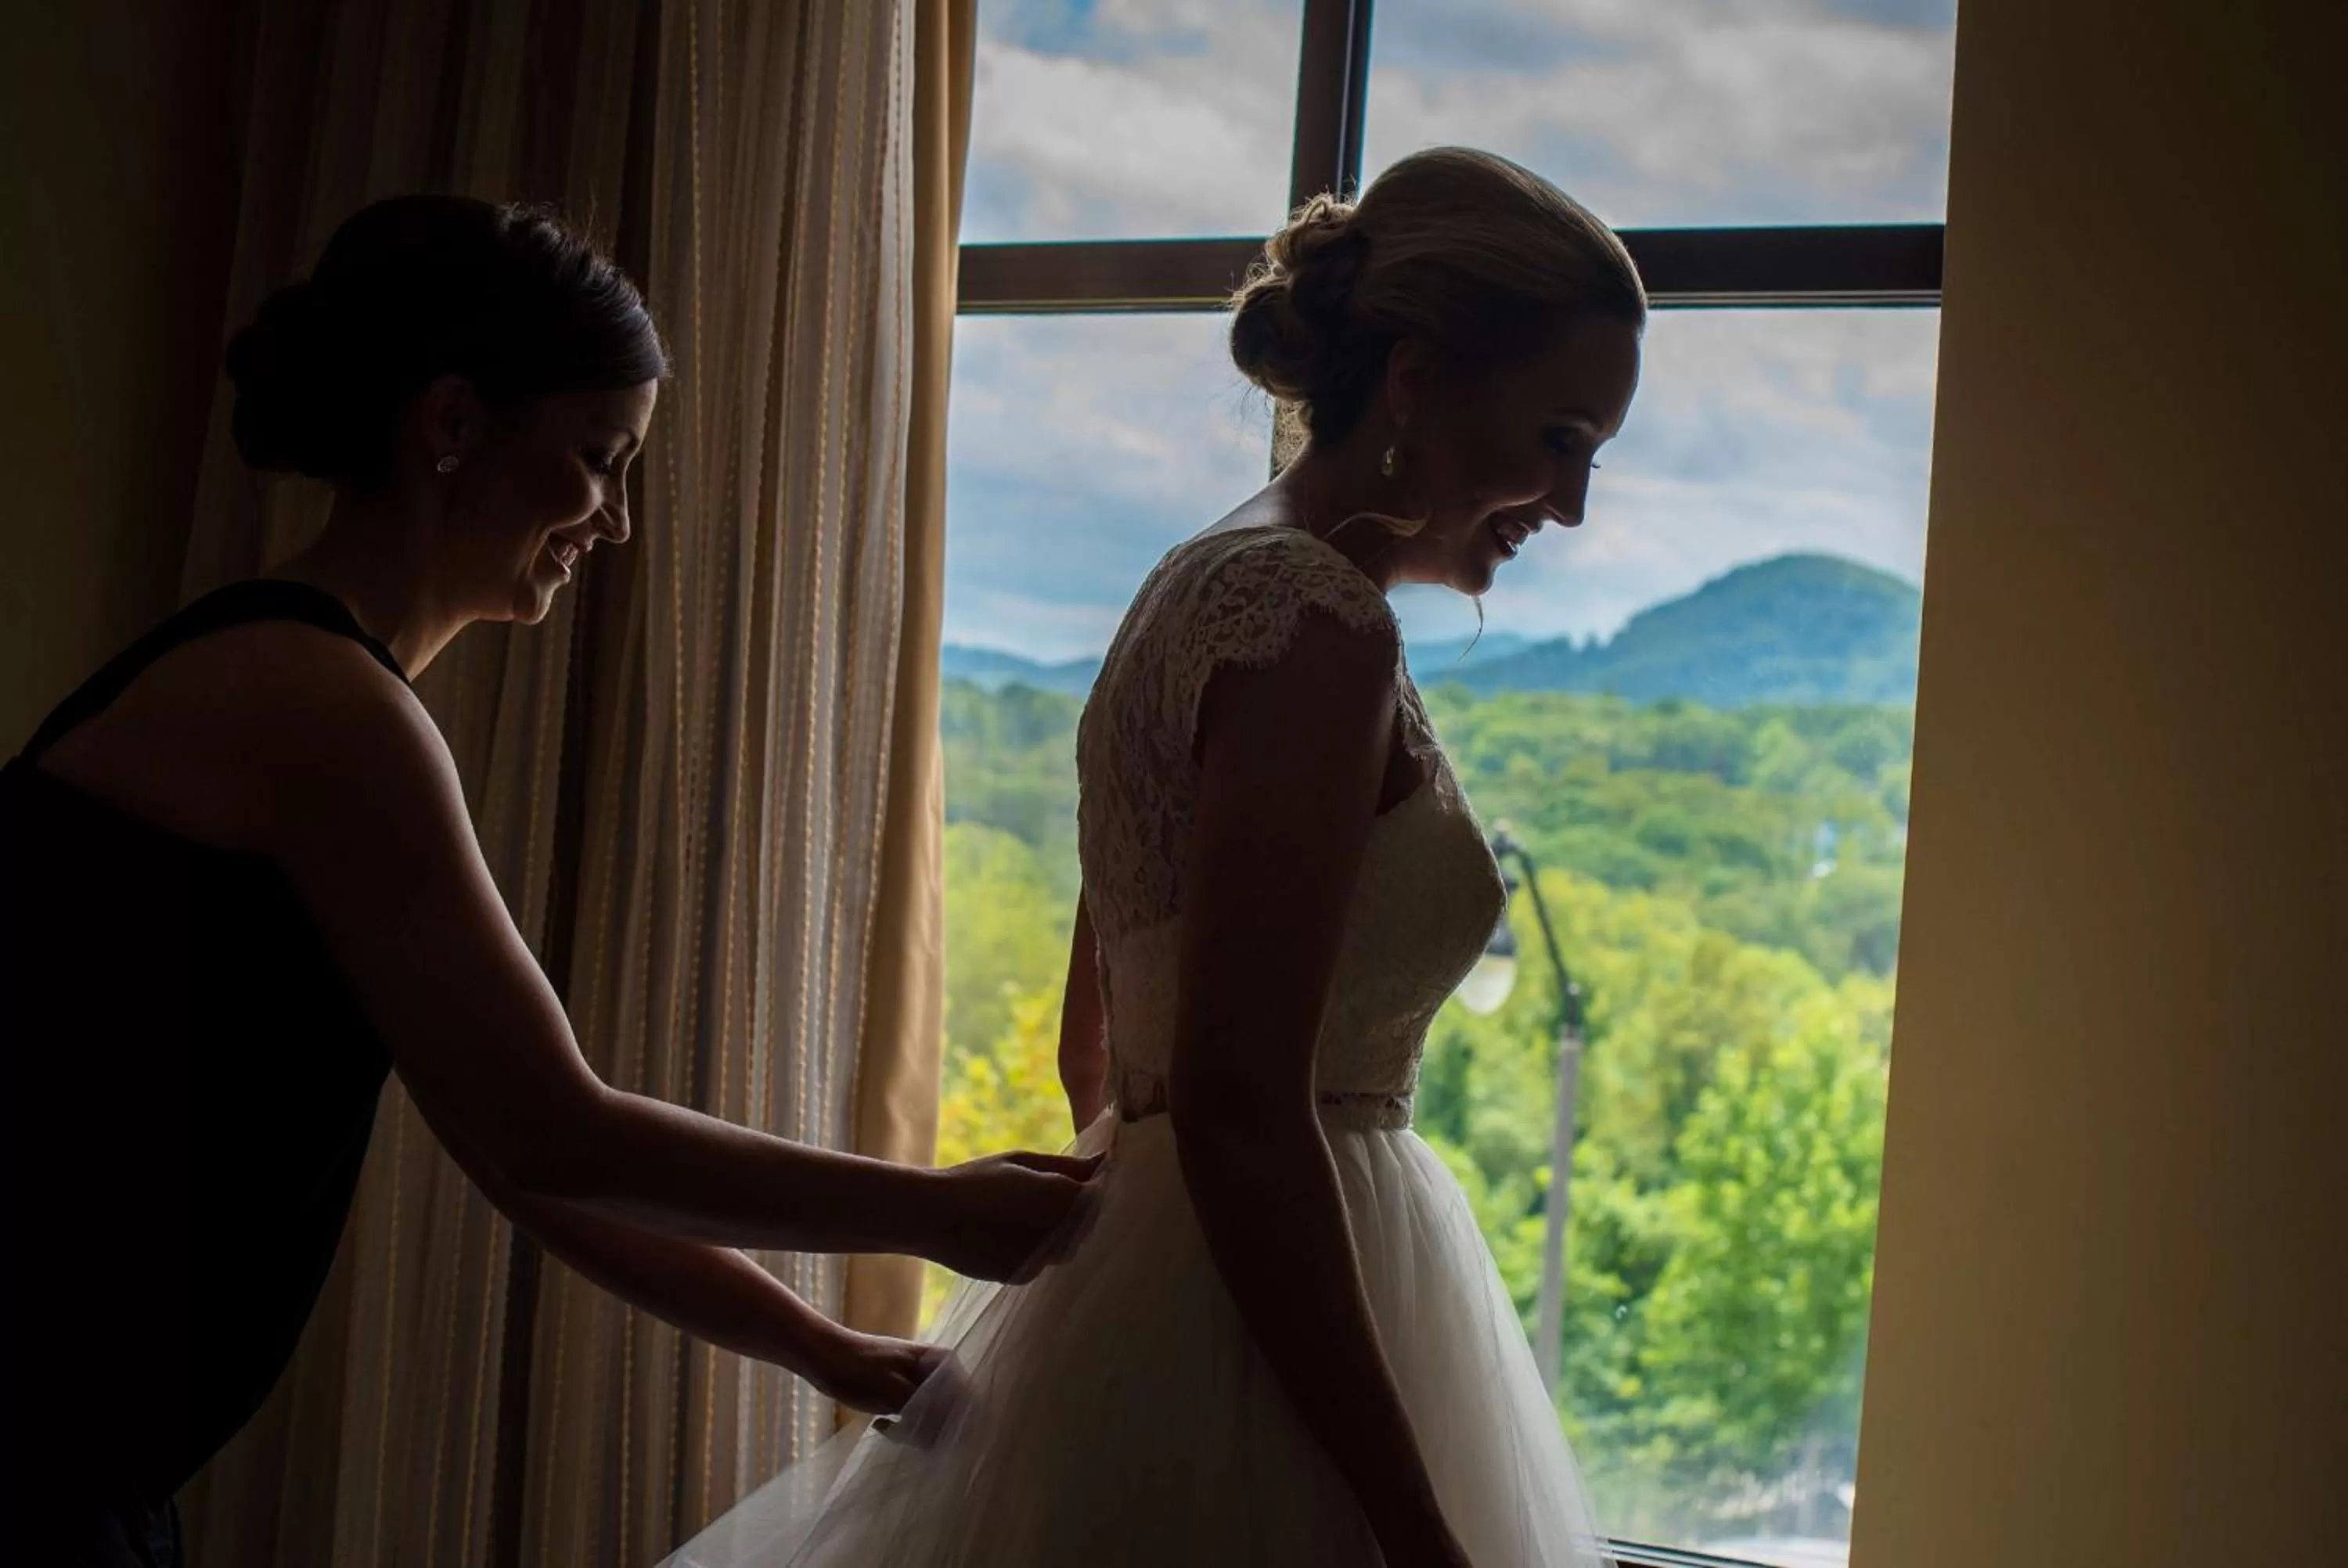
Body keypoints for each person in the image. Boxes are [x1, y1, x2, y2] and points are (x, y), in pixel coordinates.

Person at [0, 195, 1098, 1568]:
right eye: (597, 459)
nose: (617, 521)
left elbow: (525, 1160)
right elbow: (554, 1134)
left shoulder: (311, 687)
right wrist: (935, 1208)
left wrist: (819, 1347)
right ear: (453, 426)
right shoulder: (319, 708)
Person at [664, 146, 1645, 1568]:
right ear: (1418, 380)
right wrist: (1413, 1530)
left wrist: (1141, 1282)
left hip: (1169, 1283)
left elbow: (1098, 1048)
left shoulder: (1199, 580)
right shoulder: (1318, 626)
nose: (1571, 505)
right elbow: (1245, 1113)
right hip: (1269, 1318)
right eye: (1560, 439)